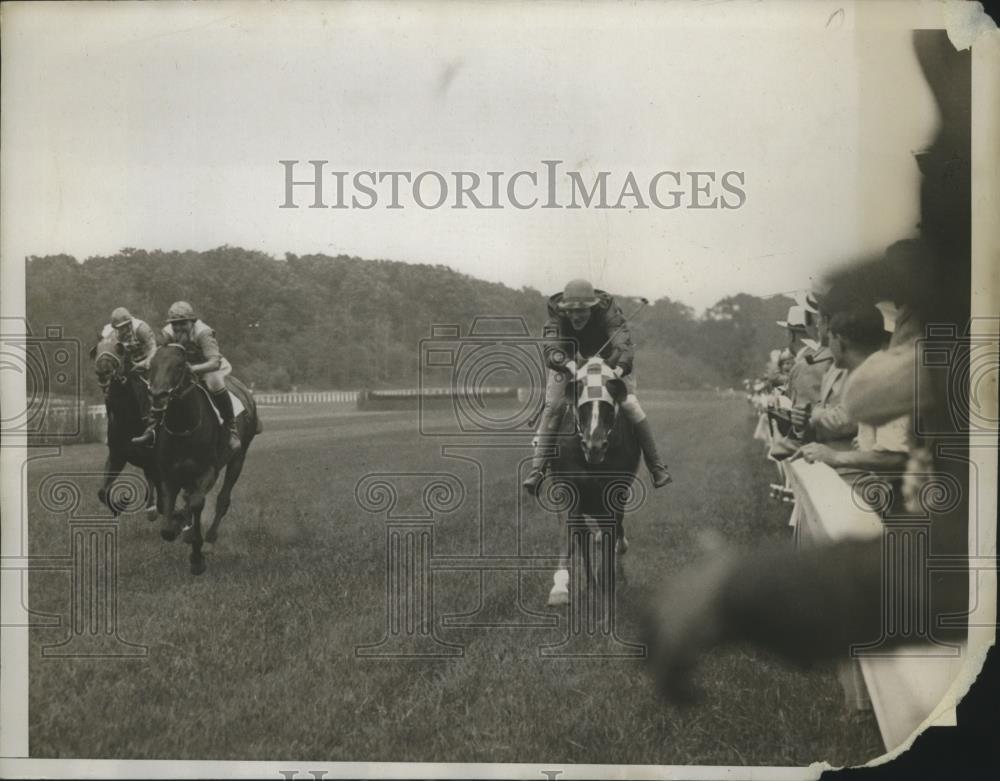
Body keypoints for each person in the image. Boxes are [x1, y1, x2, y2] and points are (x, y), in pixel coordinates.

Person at [522, 279, 671, 494]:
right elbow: (551, 348)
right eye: (571, 311)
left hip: (612, 361)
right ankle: (537, 470)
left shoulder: (609, 312)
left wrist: (617, 370)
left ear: (592, 307)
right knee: (553, 407)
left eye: (582, 311)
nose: (576, 316)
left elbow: (623, 345)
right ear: (564, 309)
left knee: (630, 404)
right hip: (569, 361)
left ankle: (657, 467)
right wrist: (571, 366)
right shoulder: (556, 313)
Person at [795, 306, 907, 479]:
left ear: (840, 341)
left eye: (830, 338)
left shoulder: (882, 381)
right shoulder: (872, 375)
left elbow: (896, 457)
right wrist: (864, 443)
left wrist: (835, 456)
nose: (829, 347)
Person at [131, 301, 241, 452]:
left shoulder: (203, 333)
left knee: (214, 383)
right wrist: (145, 363)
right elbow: (158, 353)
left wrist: (194, 369)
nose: (178, 328)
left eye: (183, 323)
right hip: (183, 368)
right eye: (175, 324)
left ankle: (231, 426)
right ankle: (151, 429)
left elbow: (214, 362)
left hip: (208, 366)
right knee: (160, 386)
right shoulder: (167, 332)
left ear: (192, 321)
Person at [99, 306, 157, 410]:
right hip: (128, 361)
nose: (122, 331)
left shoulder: (141, 328)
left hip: (146, 360)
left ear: (129, 323)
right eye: (119, 328)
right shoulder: (111, 332)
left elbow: (153, 349)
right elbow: (110, 350)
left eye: (124, 327)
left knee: (151, 388)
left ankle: (152, 413)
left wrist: (146, 363)